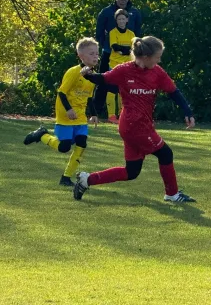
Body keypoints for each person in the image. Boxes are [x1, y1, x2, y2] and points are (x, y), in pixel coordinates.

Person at [73, 36, 196, 203]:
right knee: (165, 154)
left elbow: (174, 92)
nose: (159, 60)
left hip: (136, 126)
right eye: (157, 56)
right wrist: (88, 74)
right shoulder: (124, 70)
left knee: (131, 172)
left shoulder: (157, 72)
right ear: (146, 57)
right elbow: (103, 79)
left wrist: (187, 111)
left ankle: (87, 180)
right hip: (135, 126)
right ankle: (172, 194)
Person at [23, 38, 100, 186]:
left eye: (97, 53)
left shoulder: (92, 75)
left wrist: (94, 114)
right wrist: (69, 109)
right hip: (66, 115)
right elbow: (62, 93)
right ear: (81, 56)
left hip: (80, 117)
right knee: (64, 147)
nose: (95, 56)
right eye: (91, 54)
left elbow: (89, 97)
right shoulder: (73, 72)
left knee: (81, 143)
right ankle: (42, 135)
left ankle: (66, 177)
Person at [96, 0, 142, 73]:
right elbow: (99, 32)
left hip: (128, 54)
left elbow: (138, 32)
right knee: (103, 81)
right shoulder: (106, 12)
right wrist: (106, 46)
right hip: (109, 53)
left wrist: (133, 49)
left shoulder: (135, 12)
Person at [106, 9, 135, 124]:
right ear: (116, 21)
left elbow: (133, 49)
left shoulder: (131, 34)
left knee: (123, 91)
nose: (121, 21)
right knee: (112, 90)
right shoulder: (113, 32)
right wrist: (125, 50)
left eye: (123, 19)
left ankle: (122, 115)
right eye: (119, 19)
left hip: (127, 66)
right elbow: (115, 47)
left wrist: (125, 51)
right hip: (114, 65)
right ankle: (111, 115)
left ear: (127, 20)